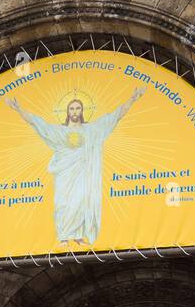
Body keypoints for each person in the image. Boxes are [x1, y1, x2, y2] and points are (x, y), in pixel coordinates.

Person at [8, 88, 144, 247]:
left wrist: (132, 99)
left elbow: (115, 116)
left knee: (80, 201)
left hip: (83, 173)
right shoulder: (59, 131)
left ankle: (78, 236)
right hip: (64, 173)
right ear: (67, 111)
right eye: (72, 108)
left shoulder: (92, 129)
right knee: (63, 203)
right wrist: (18, 109)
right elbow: (36, 122)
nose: (75, 111)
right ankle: (63, 237)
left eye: (77, 108)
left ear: (82, 110)